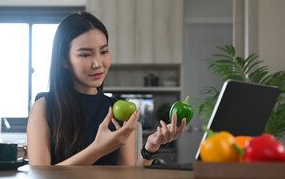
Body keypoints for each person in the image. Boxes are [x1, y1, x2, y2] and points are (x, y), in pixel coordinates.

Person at [27, 12, 186, 166]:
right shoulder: (44, 107)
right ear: (64, 61)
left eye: (104, 52)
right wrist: (98, 149)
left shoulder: (119, 110)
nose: (98, 63)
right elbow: (40, 176)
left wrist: (151, 147)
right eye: (85, 55)